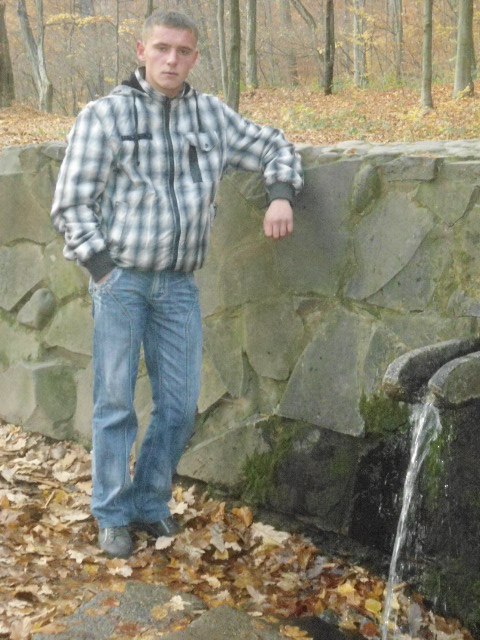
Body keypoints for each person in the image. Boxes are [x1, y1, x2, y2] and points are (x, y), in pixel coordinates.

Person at [51, 9, 303, 559]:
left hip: (180, 286)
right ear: (141, 51)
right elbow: (71, 203)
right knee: (115, 403)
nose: (171, 60)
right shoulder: (105, 116)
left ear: (195, 57)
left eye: (183, 51)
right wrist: (103, 269)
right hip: (121, 281)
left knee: (182, 405)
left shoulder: (210, 117)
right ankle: (112, 514)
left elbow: (275, 145)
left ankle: (149, 500)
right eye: (162, 48)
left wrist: (281, 194)